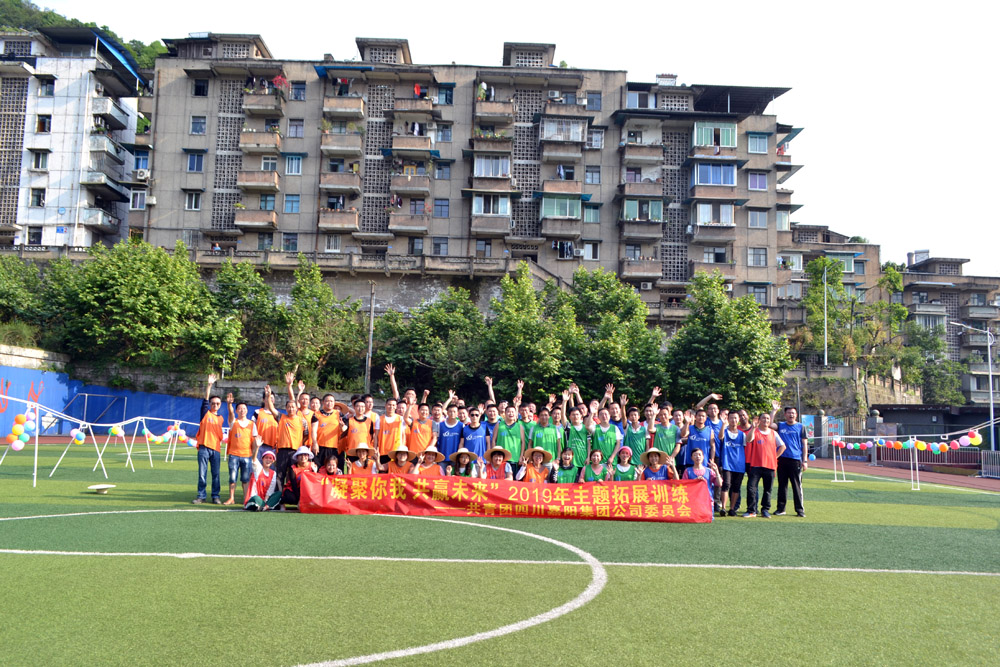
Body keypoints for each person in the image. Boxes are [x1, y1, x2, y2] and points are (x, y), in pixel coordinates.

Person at [266, 386, 311, 491]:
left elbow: (306, 435)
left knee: (293, 475)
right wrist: (268, 396)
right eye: (289, 407)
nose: (291, 409)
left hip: (295, 452)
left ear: (296, 408)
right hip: (282, 450)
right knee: (280, 475)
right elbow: (272, 408)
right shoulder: (281, 417)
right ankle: (279, 497)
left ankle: (294, 495)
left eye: (293, 407)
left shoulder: (302, 420)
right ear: (286, 408)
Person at [742, 410, 786, 518]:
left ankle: (765, 510)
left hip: (770, 466)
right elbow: (748, 440)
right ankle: (751, 510)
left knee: (768, 490)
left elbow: (783, 446)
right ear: (759, 420)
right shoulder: (755, 431)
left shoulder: (773, 433)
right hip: (756, 465)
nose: (766, 420)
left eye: (767, 418)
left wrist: (775, 457)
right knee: (751, 488)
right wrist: (753, 428)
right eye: (763, 418)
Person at [223, 393, 261, 506]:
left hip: (246, 455)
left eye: (244, 408)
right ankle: (231, 498)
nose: (242, 410)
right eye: (239, 408)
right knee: (232, 478)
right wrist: (229, 404)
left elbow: (254, 441)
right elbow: (230, 414)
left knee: (245, 479)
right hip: (234, 454)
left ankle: (246, 499)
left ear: (247, 410)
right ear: (236, 411)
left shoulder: (252, 424)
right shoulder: (233, 422)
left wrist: (254, 453)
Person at [193, 374, 225, 505]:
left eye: (217, 403)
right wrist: (209, 385)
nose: (215, 405)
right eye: (213, 403)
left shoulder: (221, 418)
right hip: (204, 447)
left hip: (216, 449)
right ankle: (201, 496)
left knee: (216, 474)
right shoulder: (205, 414)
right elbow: (205, 400)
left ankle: (215, 496)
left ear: (220, 405)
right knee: (202, 473)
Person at [775, 406, 808, 517]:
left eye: (793, 413)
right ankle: (781, 509)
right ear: (785, 414)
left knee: (796, 485)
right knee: (782, 485)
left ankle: (799, 510)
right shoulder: (780, 425)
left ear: (796, 415)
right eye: (789, 413)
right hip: (782, 459)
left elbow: (804, 444)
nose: (791, 415)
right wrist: (774, 411)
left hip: (795, 460)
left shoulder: (801, 427)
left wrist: (805, 460)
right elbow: (769, 425)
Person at [719, 410, 747, 517]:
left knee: (736, 487)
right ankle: (723, 508)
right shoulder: (725, 432)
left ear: (738, 419)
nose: (733, 420)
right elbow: (720, 437)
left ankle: (732, 508)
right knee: (726, 484)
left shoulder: (742, 435)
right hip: (727, 463)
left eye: (735, 418)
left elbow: (747, 443)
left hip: (739, 464)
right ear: (728, 419)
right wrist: (723, 424)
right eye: (731, 418)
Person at [682, 448, 721, 519]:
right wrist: (695, 481)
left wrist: (716, 471)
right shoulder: (688, 471)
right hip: (693, 501)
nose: (698, 457)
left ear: (703, 457)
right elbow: (684, 486)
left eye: (700, 455)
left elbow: (719, 484)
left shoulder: (709, 471)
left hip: (707, 501)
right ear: (692, 458)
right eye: (695, 455)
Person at [680, 408, 715, 481]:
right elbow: (683, 435)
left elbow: (712, 446)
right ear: (695, 417)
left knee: (704, 482)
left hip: (704, 462)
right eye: (699, 416)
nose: (701, 417)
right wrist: (687, 423)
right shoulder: (690, 428)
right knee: (690, 483)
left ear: (706, 418)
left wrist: (712, 459)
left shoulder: (709, 430)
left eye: (703, 416)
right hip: (690, 461)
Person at [311, 394, 342, 472]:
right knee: (318, 469)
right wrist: (315, 443)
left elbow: (351, 414)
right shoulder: (317, 414)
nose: (329, 403)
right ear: (323, 402)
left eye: (331, 401)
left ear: (334, 403)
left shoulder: (338, 414)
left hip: (334, 447)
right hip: (320, 447)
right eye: (327, 401)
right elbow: (314, 430)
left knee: (333, 470)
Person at [492, 405, 526, 470]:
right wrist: (494, 454)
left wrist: (521, 456)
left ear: (516, 414)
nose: (511, 413)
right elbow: (494, 440)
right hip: (501, 458)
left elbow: (523, 442)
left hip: (515, 458)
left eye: (512, 412)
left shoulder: (519, 426)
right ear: (505, 413)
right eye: (508, 412)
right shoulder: (499, 425)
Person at [436, 404, 464, 469]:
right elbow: (436, 440)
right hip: (442, 458)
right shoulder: (440, 425)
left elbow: (462, 442)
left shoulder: (461, 425)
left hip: (455, 458)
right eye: (450, 411)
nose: (452, 413)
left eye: (454, 411)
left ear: (457, 413)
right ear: (447, 412)